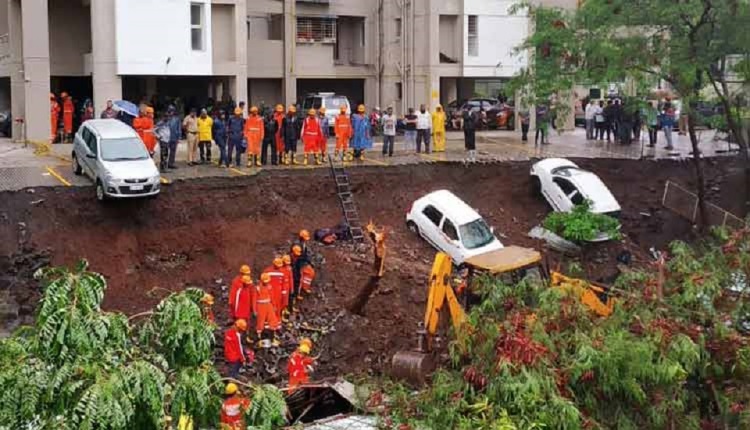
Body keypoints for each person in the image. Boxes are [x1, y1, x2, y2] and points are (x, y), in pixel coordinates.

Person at [254, 273, 281, 346]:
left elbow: (272, 297)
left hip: (268, 305)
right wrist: (255, 309)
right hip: (260, 306)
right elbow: (254, 299)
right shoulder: (258, 288)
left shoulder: (269, 287)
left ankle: (271, 338)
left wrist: (274, 305)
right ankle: (261, 339)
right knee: (260, 322)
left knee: (273, 320)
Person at [279, 254, 293, 321]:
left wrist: (291, 288)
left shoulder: (289, 268)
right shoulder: (280, 269)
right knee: (282, 302)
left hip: (287, 287)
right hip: (282, 288)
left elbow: (291, 278)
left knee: (286, 301)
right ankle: (281, 315)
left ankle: (285, 309)